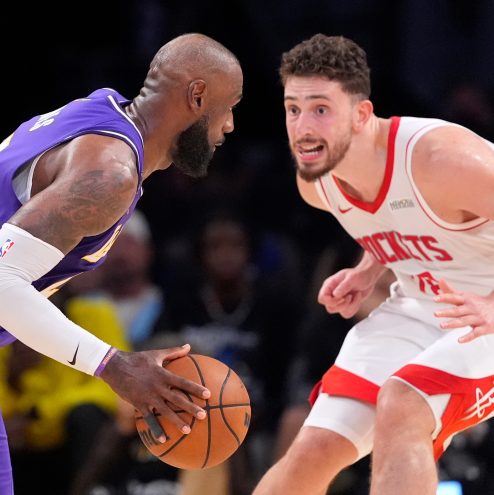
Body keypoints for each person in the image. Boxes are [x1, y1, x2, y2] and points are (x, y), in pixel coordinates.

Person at [0, 32, 242, 494]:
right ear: (197, 96)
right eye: (230, 106)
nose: (229, 125)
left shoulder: (99, 109)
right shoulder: (110, 174)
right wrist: (113, 365)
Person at [253, 33, 494, 495]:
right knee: (313, 449)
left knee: (403, 403)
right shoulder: (316, 183)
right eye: (293, 109)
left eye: (321, 109)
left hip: (483, 310)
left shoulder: (443, 160)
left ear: (362, 114)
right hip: (423, 307)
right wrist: (370, 268)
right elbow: (398, 215)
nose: (303, 127)